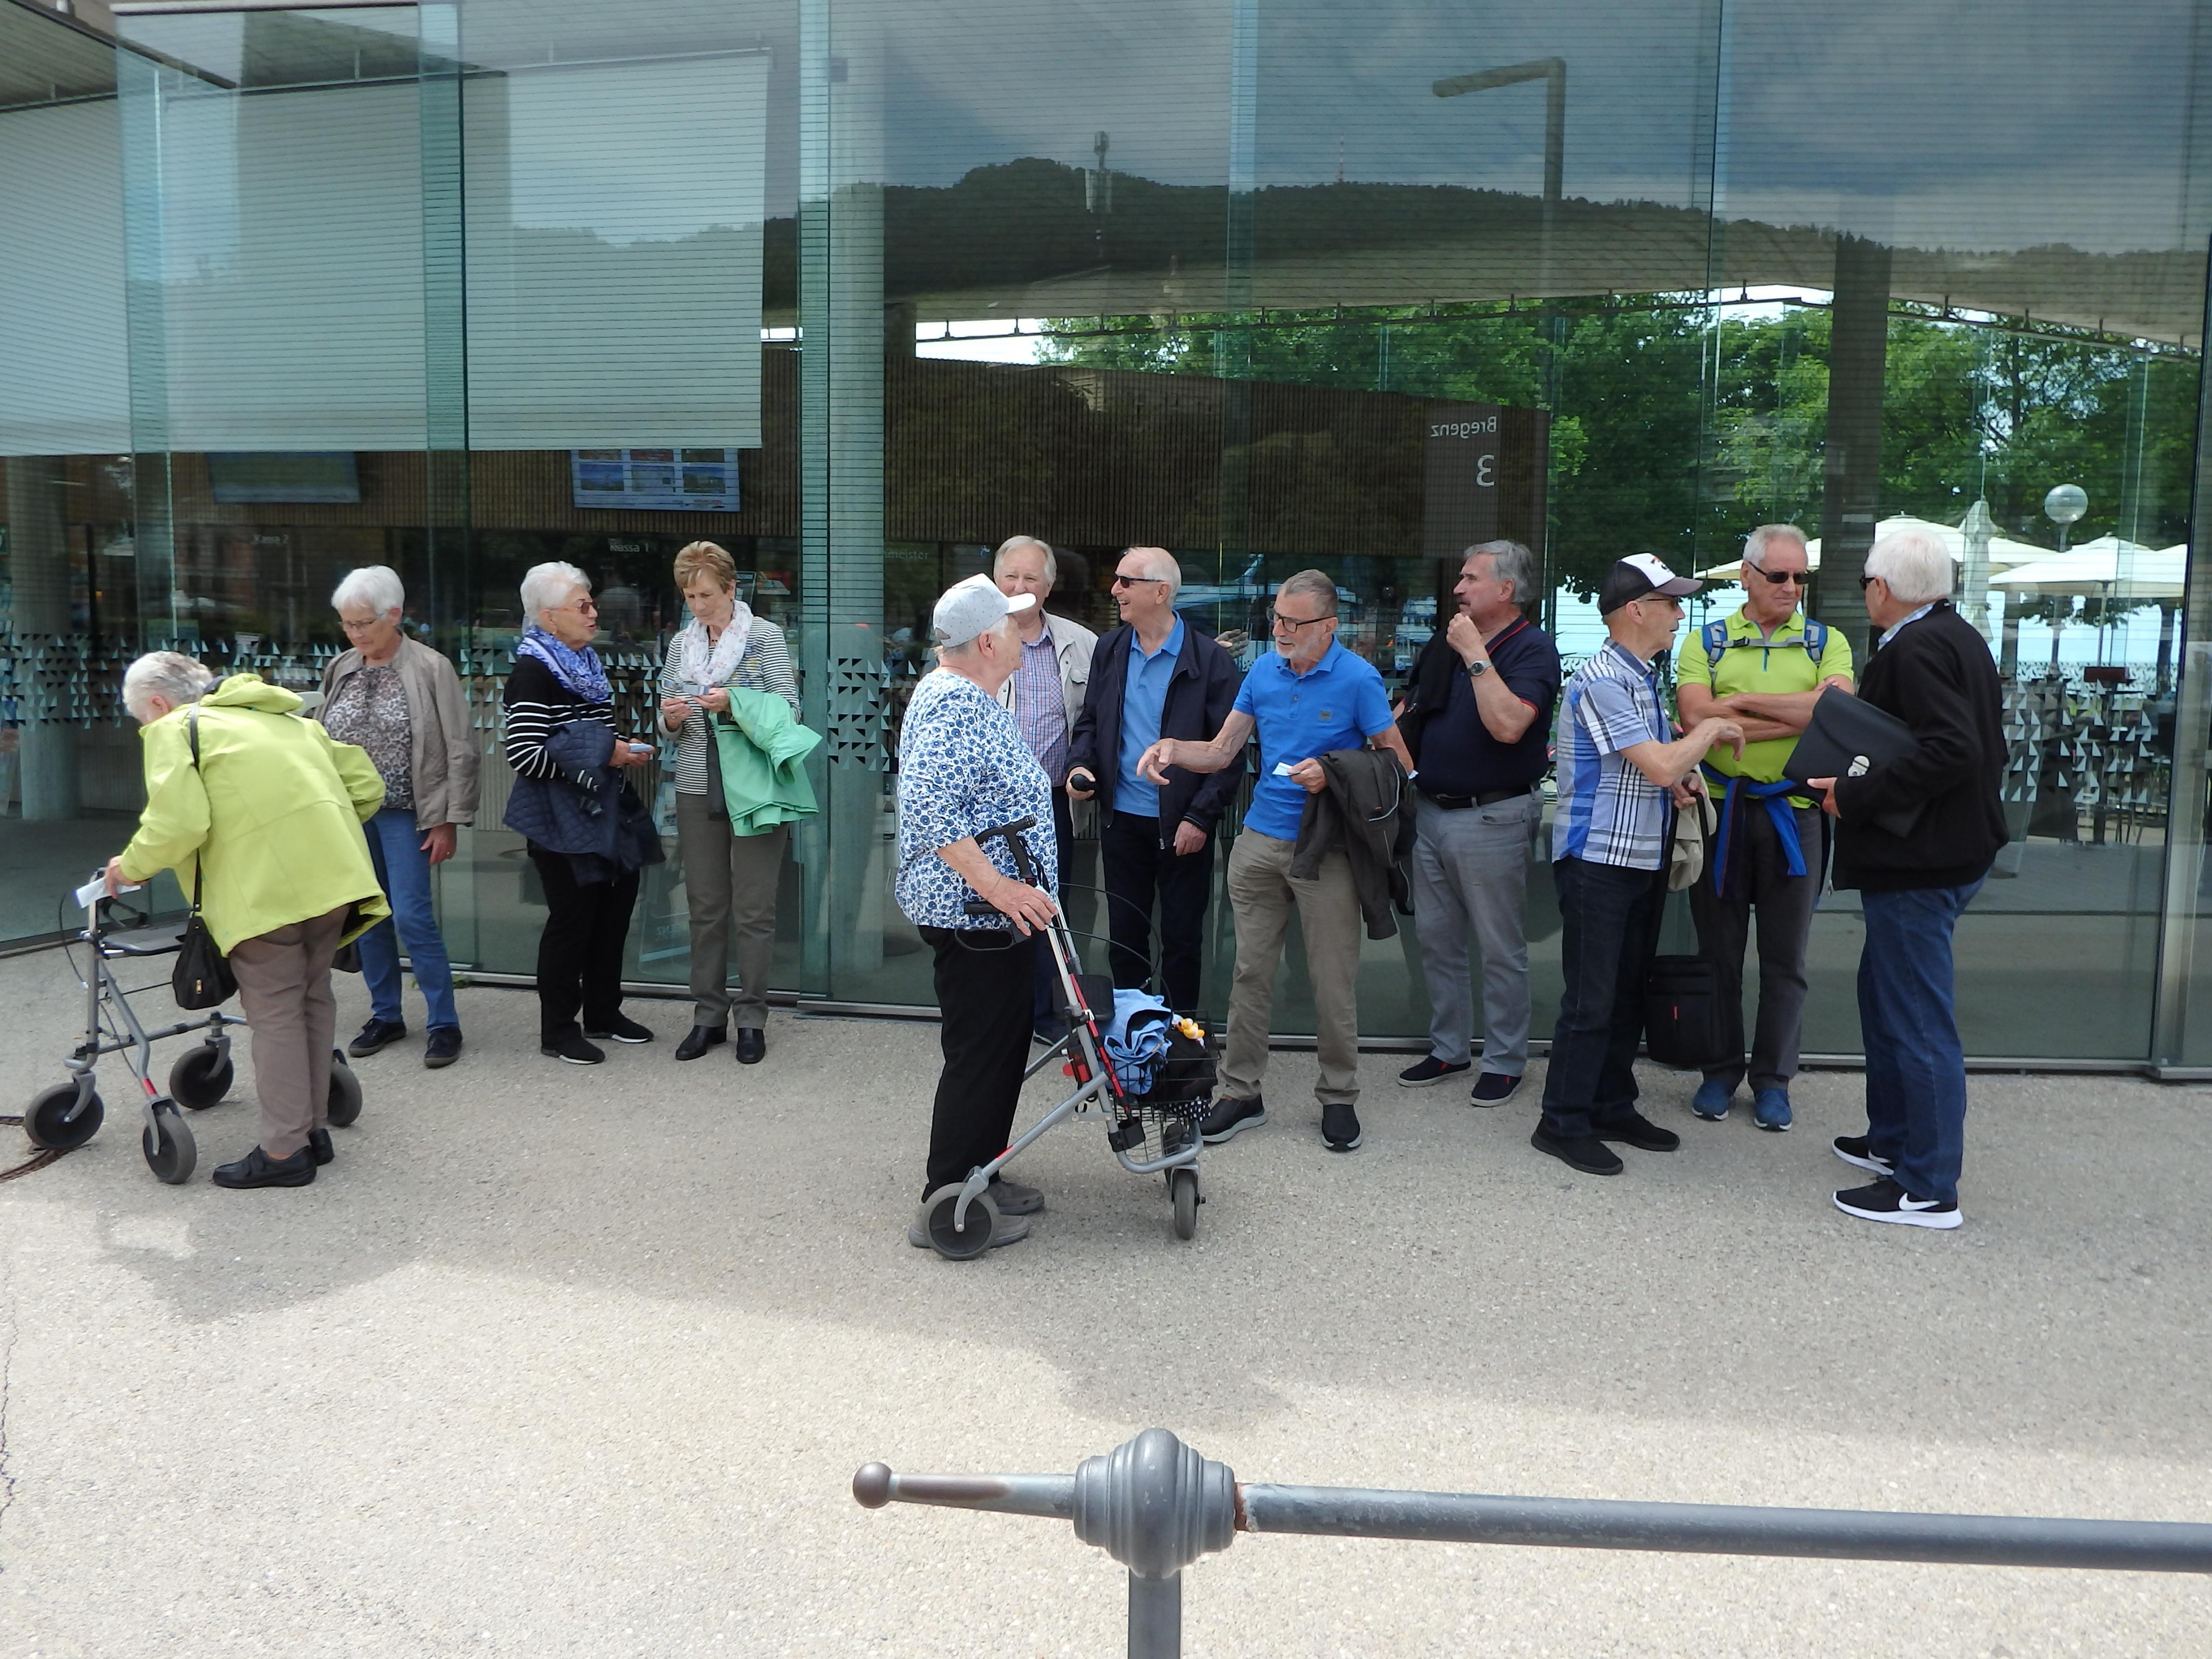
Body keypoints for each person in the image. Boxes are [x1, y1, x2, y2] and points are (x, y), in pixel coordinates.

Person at [1137, 569, 1413, 1154]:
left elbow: (1399, 767)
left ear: (1329, 626)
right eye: (1276, 618)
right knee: (1249, 974)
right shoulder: (1263, 670)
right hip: (1260, 839)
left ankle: (1338, 1097)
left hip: (1327, 848)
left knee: (1331, 982)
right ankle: (1241, 1092)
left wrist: (1334, 772)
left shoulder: (1359, 678)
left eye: (1294, 621)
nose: (1280, 630)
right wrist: (1173, 749)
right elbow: (1222, 751)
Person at [104, 653, 388, 1189]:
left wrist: (129, 867)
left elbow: (178, 823)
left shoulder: (177, 730)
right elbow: (367, 787)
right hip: (335, 878)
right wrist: (312, 829)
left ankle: (284, 1151)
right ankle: (312, 1131)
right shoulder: (289, 722)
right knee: (312, 1000)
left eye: (141, 717)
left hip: (263, 894)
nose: (146, 726)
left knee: (276, 1014)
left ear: (158, 704)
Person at [1805, 528, 2005, 1229]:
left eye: (1866, 582)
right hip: (1947, 851)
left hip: (1922, 861)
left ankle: (1927, 1186)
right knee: (1887, 998)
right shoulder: (1958, 636)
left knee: (1916, 1018)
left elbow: (1954, 748)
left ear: (1883, 588)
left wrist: (1855, 795)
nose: (1866, 593)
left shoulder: (1916, 648)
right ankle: (1893, 1140)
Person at [1536, 555, 1745, 1177]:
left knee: (1625, 993)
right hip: (1597, 862)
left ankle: (1610, 1106)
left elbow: (1644, 769)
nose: (1679, 614)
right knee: (1592, 999)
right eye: (1670, 603)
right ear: (1635, 610)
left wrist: (1678, 782)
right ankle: (1561, 1122)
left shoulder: (1639, 676)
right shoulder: (1603, 678)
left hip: (1636, 857)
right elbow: (1656, 763)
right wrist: (1707, 733)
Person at [894, 574, 1060, 1251]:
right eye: (1013, 625)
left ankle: (980, 1174)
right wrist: (1001, 889)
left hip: (992, 917)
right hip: (974, 915)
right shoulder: (952, 702)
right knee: (979, 1053)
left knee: (1000, 1048)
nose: (1024, 633)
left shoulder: (971, 696)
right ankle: (949, 1199)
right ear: (988, 642)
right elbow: (929, 807)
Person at [1674, 524, 1856, 1132]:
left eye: (1801, 576)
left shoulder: (1827, 642)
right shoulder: (1707, 642)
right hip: (1722, 814)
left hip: (1795, 814)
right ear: (1747, 576)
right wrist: (1799, 714)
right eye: (1779, 576)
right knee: (1718, 954)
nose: (1791, 587)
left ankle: (1774, 1081)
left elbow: (1837, 712)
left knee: (1786, 959)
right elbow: (1693, 717)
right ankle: (1719, 1072)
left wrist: (1736, 708)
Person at [1395, 540, 1561, 1105]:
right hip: (1432, 811)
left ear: (1506, 589)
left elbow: (1509, 726)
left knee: (1499, 946)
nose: (1458, 588)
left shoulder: (1533, 649)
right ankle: (1449, 1048)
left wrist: (1474, 654)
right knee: (1436, 941)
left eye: (1470, 579)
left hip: (1493, 816)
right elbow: (1411, 712)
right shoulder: (1445, 643)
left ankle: (1506, 1060)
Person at [1064, 547, 1241, 1015]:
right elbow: (1091, 722)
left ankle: (1180, 1038)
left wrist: (1200, 818)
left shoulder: (1210, 660)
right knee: (1125, 936)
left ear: (1161, 592)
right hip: (1121, 819)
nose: (1115, 590)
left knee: (1182, 938)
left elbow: (1229, 752)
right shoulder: (1110, 649)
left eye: (1127, 581)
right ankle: (1133, 1032)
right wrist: (1080, 767)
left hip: (1183, 823)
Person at [321, 565, 478, 1071]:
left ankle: (443, 1022)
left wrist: (449, 819)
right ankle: (385, 1014)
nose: (356, 633)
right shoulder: (342, 666)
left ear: (394, 615)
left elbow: (459, 746)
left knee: (411, 915)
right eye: (348, 624)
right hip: (351, 814)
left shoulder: (431, 667)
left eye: (364, 623)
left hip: (407, 812)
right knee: (368, 916)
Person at [503, 561, 660, 1065]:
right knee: (572, 922)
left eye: (591, 603)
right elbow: (524, 754)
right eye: (583, 605)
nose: (594, 613)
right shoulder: (533, 671)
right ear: (549, 617)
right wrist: (606, 753)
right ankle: (558, 1031)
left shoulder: (586, 665)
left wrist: (617, 751)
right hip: (558, 821)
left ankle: (604, 1013)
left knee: (613, 912)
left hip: (601, 809)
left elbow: (588, 738)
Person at [656, 541, 800, 1066]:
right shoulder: (681, 645)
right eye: (690, 597)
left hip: (754, 786)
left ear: (732, 589)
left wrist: (733, 703)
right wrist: (671, 718)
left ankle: (752, 1018)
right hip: (697, 783)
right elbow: (665, 720)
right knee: (705, 906)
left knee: (754, 909)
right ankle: (708, 1016)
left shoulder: (764, 636)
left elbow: (789, 710)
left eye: (707, 596)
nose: (698, 606)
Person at [988, 536, 1099, 1039]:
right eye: (1010, 576)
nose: (1019, 586)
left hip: (1054, 801)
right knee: (990, 902)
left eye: (1031, 577)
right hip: (989, 804)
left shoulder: (1081, 643)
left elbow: (1095, 722)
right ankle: (998, 1011)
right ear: (996, 582)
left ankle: (1048, 1012)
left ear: (1049, 587)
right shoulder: (975, 639)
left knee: (1050, 906)